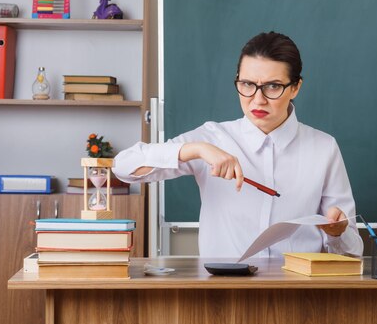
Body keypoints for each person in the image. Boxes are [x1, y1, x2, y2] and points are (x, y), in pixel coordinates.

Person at [113, 31, 363, 258]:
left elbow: (353, 252)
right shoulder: (213, 138)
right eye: (247, 85)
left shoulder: (323, 147)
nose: (257, 99)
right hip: (224, 295)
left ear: (295, 87)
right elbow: (123, 167)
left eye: (273, 86)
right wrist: (196, 149)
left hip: (299, 293)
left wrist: (337, 231)